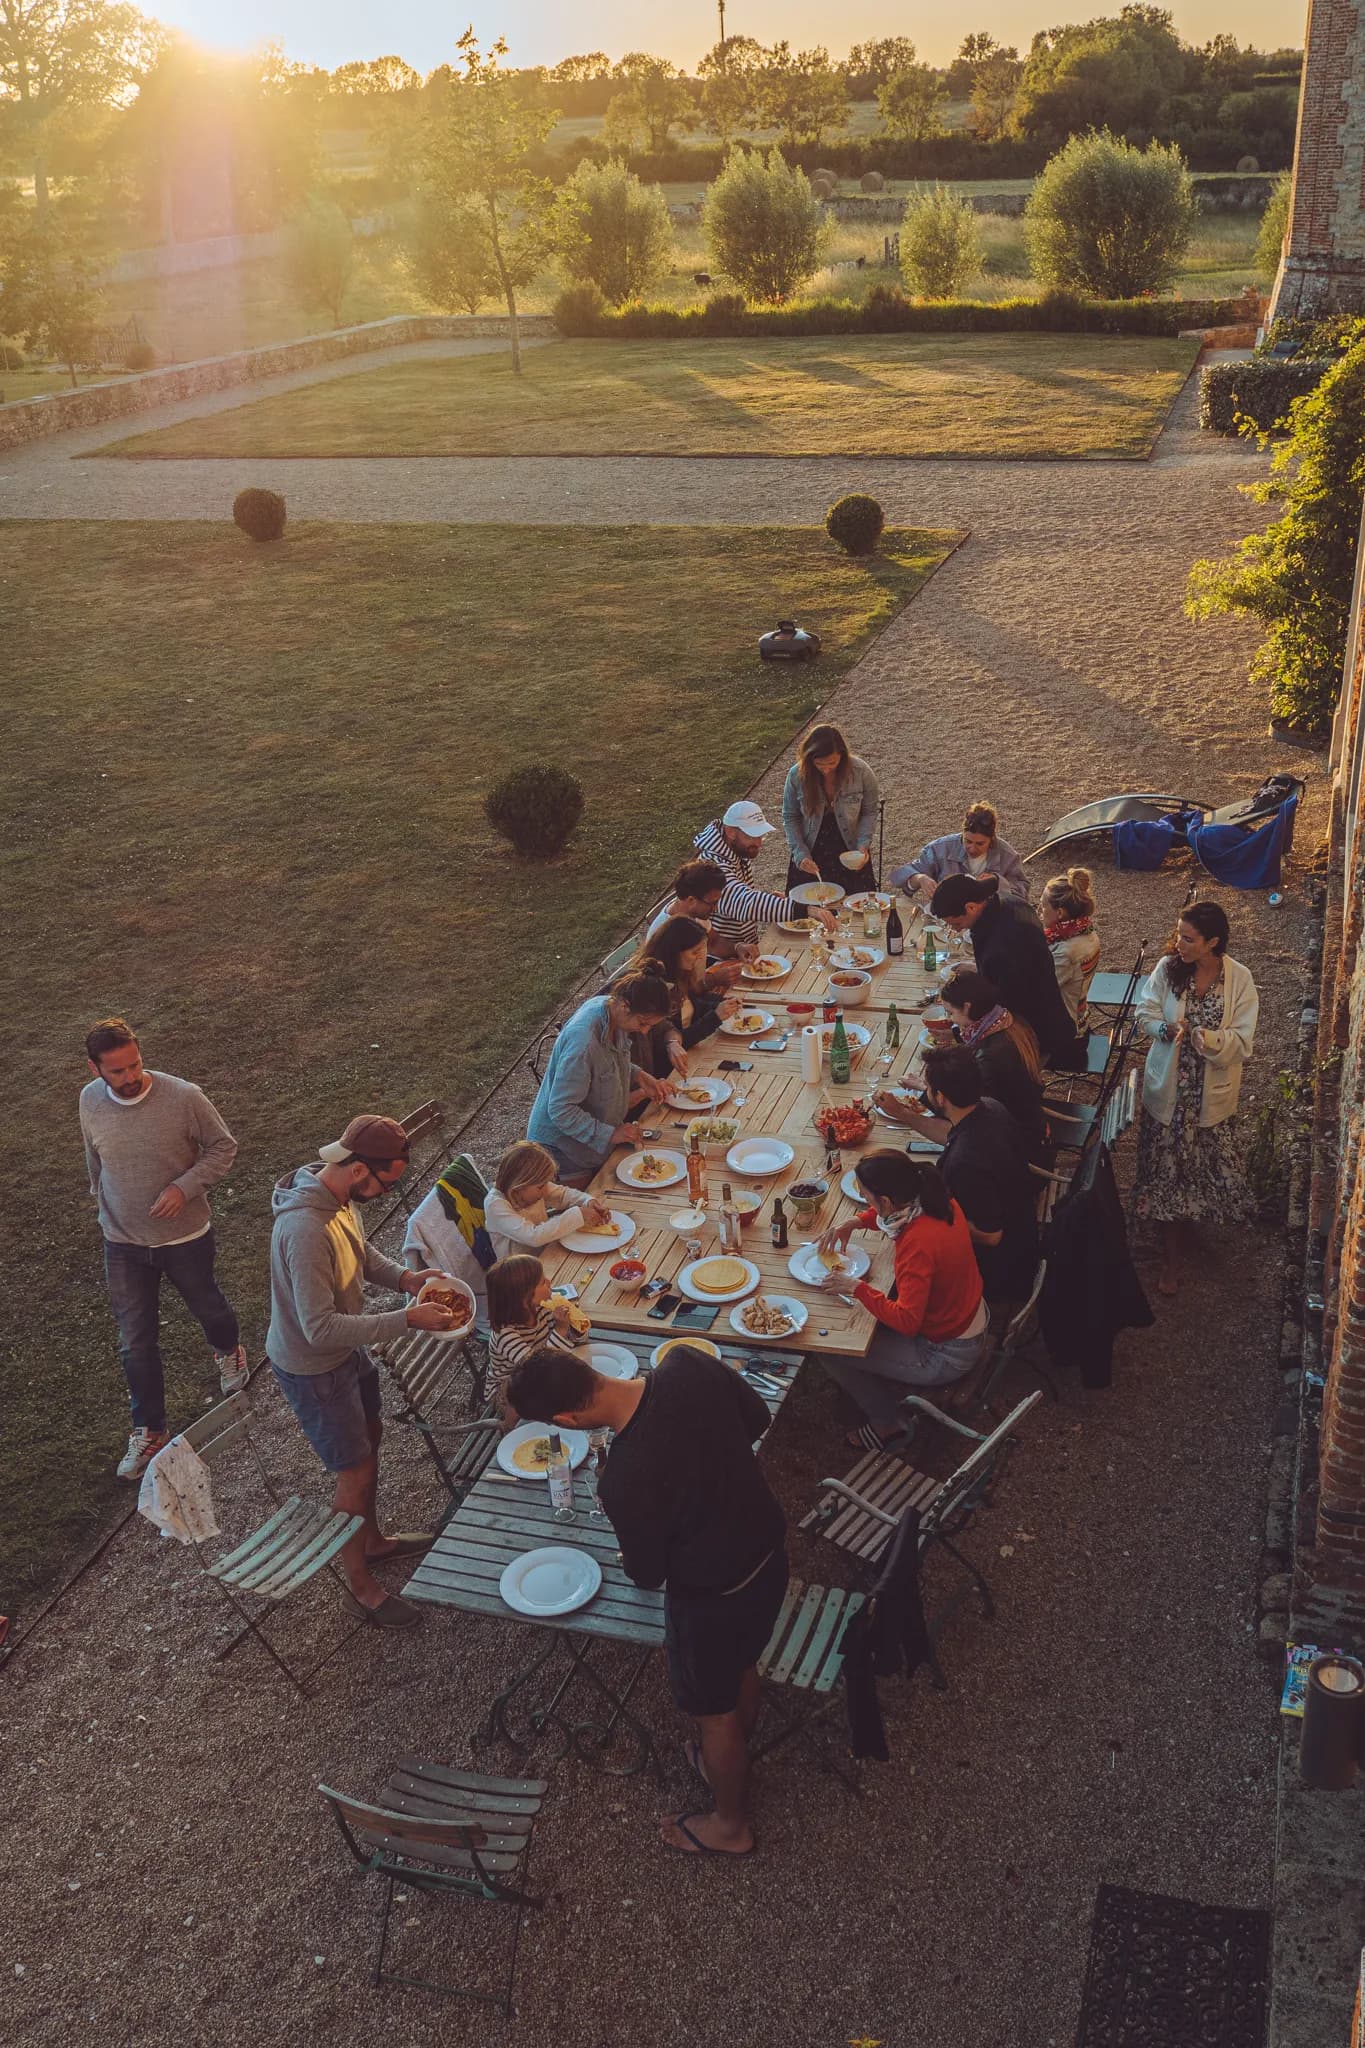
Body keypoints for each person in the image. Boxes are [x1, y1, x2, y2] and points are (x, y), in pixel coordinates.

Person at [507, 1343, 786, 1860]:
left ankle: (730, 1825)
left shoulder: (624, 1477)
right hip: (769, 1557)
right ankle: (731, 1758)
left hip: (714, 1599)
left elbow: (647, 1574)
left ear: (566, 1420)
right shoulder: (686, 1361)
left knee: (715, 1713)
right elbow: (757, 1418)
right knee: (744, 1662)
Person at [266, 1114, 464, 1629]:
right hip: (315, 1368)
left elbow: (360, 1251)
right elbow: (318, 1329)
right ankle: (359, 1589)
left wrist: (406, 1279)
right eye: (388, 1183)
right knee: (353, 1472)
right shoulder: (305, 1229)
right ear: (358, 1169)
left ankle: (372, 1542)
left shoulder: (337, 1198)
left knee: (370, 1443)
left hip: (347, 1352)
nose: (388, 1192)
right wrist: (407, 1319)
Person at [79, 1017, 247, 1483]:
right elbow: (94, 1155)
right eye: (117, 1071)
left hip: (184, 1238)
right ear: (95, 1069)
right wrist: (100, 1200)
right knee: (135, 1339)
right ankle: (150, 1429)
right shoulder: (89, 1099)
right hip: (122, 1242)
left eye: (135, 1065)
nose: (130, 1076)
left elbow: (222, 1147)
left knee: (208, 1306)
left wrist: (183, 1188)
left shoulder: (183, 1097)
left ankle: (228, 1349)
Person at [817, 1150, 989, 1444]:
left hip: (946, 1353)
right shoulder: (938, 1201)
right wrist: (856, 1222)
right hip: (970, 1316)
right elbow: (891, 1217)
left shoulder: (917, 1245)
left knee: (832, 1348)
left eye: (866, 1197)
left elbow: (908, 1322)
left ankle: (888, 1423)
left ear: (886, 1201)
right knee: (871, 1315)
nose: (865, 1200)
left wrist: (856, 1288)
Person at [1133, 902, 1259, 1296]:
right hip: (1170, 1092)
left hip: (1208, 1094)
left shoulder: (1240, 980)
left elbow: (1243, 1041)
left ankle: (1189, 1226)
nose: (1178, 943)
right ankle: (1170, 1257)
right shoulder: (1167, 969)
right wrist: (1165, 1029)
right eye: (1179, 935)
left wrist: (1208, 1039)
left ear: (1213, 942)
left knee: (1201, 1169)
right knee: (1169, 1174)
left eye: (1188, 939)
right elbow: (1144, 1011)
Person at [526, 973, 673, 1186]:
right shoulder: (583, 1043)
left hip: (592, 1146)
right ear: (624, 1005)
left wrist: (639, 1075)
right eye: (642, 1023)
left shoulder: (612, 1010)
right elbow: (560, 1109)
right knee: (594, 1203)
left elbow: (605, 1063)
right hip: (565, 1154)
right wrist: (611, 1134)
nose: (644, 1031)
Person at [914, 1049, 1039, 1300]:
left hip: (998, 1271)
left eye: (927, 1088)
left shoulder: (966, 1163)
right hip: (1025, 1230)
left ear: (941, 1097)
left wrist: (921, 1216)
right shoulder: (991, 1107)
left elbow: (990, 1236)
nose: (925, 1092)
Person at [929, 873, 1087, 1071]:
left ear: (971, 907)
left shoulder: (1006, 944)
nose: (956, 930)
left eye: (956, 924)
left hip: (1032, 1034)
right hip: (1041, 1013)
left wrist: (960, 1032)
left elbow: (1002, 1007)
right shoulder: (1008, 902)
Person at [692, 799, 837, 955]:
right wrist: (807, 910)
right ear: (731, 832)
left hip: (746, 950)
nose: (759, 843)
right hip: (722, 955)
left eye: (761, 836)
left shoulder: (733, 852)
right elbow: (742, 901)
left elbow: (742, 893)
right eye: (753, 836)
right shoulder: (712, 864)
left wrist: (770, 900)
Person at [622, 917, 738, 1078]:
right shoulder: (655, 989)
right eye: (694, 952)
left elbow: (692, 1004)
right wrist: (715, 1017)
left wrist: (723, 1004)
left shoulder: (677, 973)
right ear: (675, 951)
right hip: (674, 1069)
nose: (700, 957)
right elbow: (667, 1049)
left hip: (696, 1049)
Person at [486, 1254, 587, 1422]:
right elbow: (538, 1370)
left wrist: (575, 1327)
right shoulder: (505, 1334)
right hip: (508, 1389)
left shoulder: (542, 1309)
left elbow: (576, 1343)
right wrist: (561, 1330)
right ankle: (512, 1425)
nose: (549, 1282)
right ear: (524, 1299)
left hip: (541, 1370)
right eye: (542, 1282)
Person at [780, 724, 880, 889]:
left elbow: (869, 812)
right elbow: (790, 816)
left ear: (842, 755)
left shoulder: (861, 771)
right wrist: (800, 853)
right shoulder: (796, 775)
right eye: (820, 764)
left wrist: (863, 844)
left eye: (832, 763)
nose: (826, 769)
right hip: (812, 849)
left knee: (857, 900)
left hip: (849, 848)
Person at [484, 1139, 613, 1263]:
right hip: (520, 1271)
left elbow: (563, 1195)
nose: (546, 1189)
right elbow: (534, 1237)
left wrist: (587, 1201)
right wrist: (578, 1214)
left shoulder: (533, 1187)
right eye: (541, 1186)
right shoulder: (495, 1205)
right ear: (519, 1186)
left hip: (547, 1252)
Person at [890, 801, 1029, 904]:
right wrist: (920, 878)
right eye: (967, 841)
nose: (972, 848)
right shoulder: (941, 848)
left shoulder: (1008, 856)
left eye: (980, 844)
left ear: (992, 839)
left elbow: (1022, 894)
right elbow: (899, 876)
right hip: (948, 920)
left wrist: (997, 882)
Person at [1039, 867, 1102, 1033]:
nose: (1039, 912)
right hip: (1080, 1017)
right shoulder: (1087, 931)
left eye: (1043, 907)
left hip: (1064, 1030)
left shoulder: (1065, 952)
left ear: (1059, 913)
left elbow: (1038, 990)